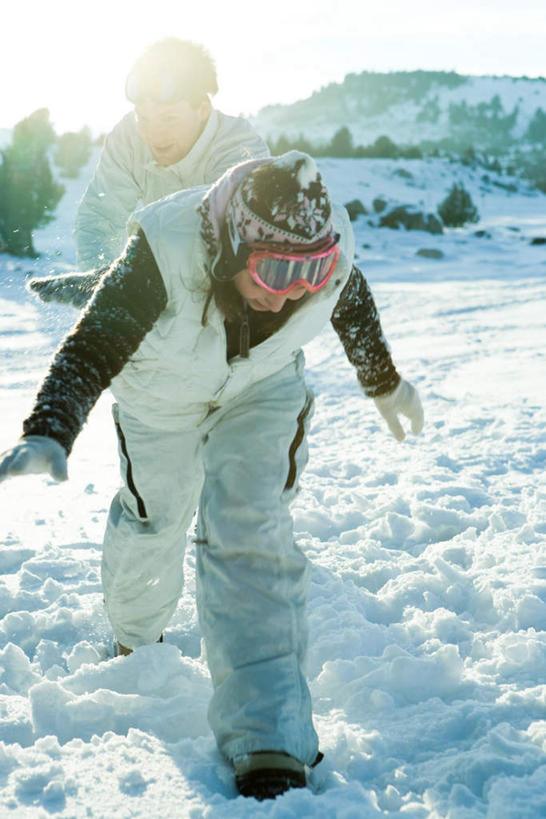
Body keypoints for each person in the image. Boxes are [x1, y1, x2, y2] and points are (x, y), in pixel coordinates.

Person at [0, 151, 424, 800]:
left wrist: (384, 383)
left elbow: (348, 295)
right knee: (156, 517)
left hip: (260, 387)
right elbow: (94, 342)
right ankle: (136, 642)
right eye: (277, 269)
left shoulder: (323, 252)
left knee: (249, 528)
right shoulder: (161, 254)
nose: (293, 289)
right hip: (161, 396)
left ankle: (270, 735)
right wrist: (49, 428)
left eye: (311, 269)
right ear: (231, 247)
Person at [74, 37, 269, 276]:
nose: (154, 134)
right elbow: (100, 218)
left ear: (202, 110)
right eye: (144, 118)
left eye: (169, 119)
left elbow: (224, 240)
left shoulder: (239, 148)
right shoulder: (128, 138)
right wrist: (101, 283)